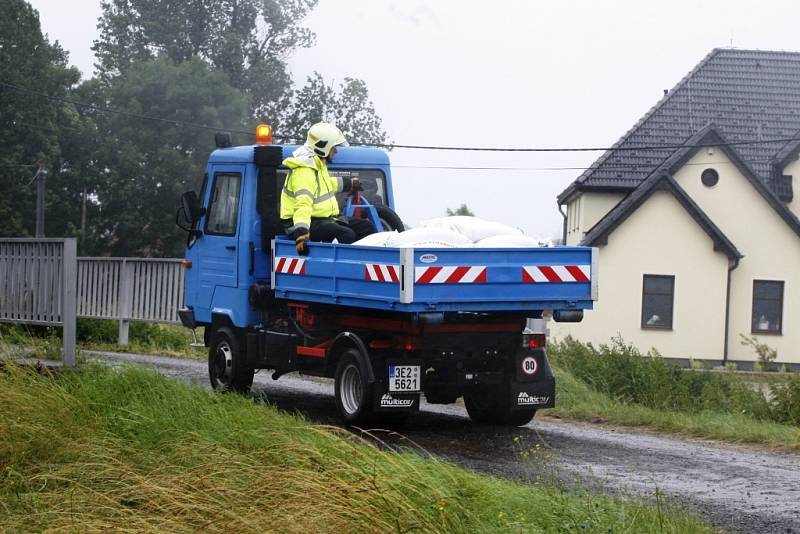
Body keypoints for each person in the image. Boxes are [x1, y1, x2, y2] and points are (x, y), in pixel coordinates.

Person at [280, 122, 375, 255]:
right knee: (346, 234)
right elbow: (303, 204)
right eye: (333, 147)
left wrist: (350, 184)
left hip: (322, 220)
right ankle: (344, 267)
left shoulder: (317, 165)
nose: (335, 151)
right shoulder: (304, 171)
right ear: (322, 147)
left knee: (367, 227)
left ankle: (365, 262)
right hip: (302, 224)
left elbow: (327, 185)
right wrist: (301, 233)